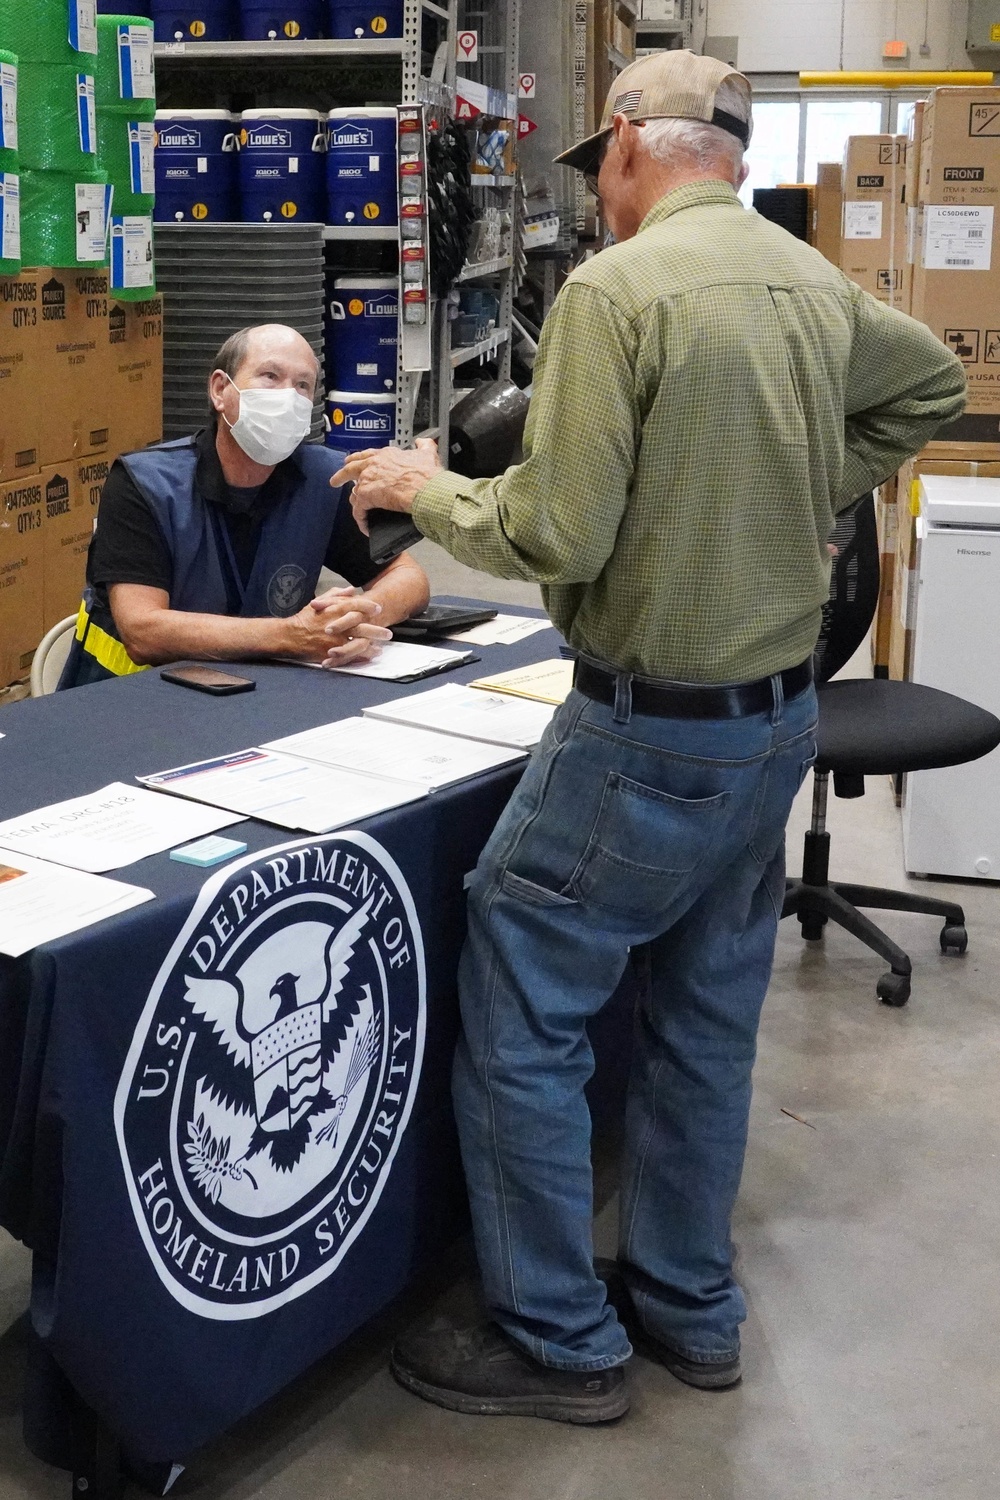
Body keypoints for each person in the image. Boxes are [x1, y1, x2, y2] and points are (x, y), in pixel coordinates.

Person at [333, 49, 967, 1425]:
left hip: (645, 734)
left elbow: (555, 530)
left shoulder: (615, 293)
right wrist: (796, 470)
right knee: (703, 1022)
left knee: (522, 998)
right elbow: (928, 393)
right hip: (773, 725)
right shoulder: (810, 279)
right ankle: (690, 1306)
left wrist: (425, 490)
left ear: (625, 143)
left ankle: (558, 1336)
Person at [58, 323, 428, 689]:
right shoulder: (145, 483)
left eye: (303, 386)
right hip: (129, 698)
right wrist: (291, 635)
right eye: (270, 376)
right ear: (220, 390)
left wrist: (354, 617)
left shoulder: (324, 479)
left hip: (256, 692)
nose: (288, 397)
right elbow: (143, 631)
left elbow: (409, 578)